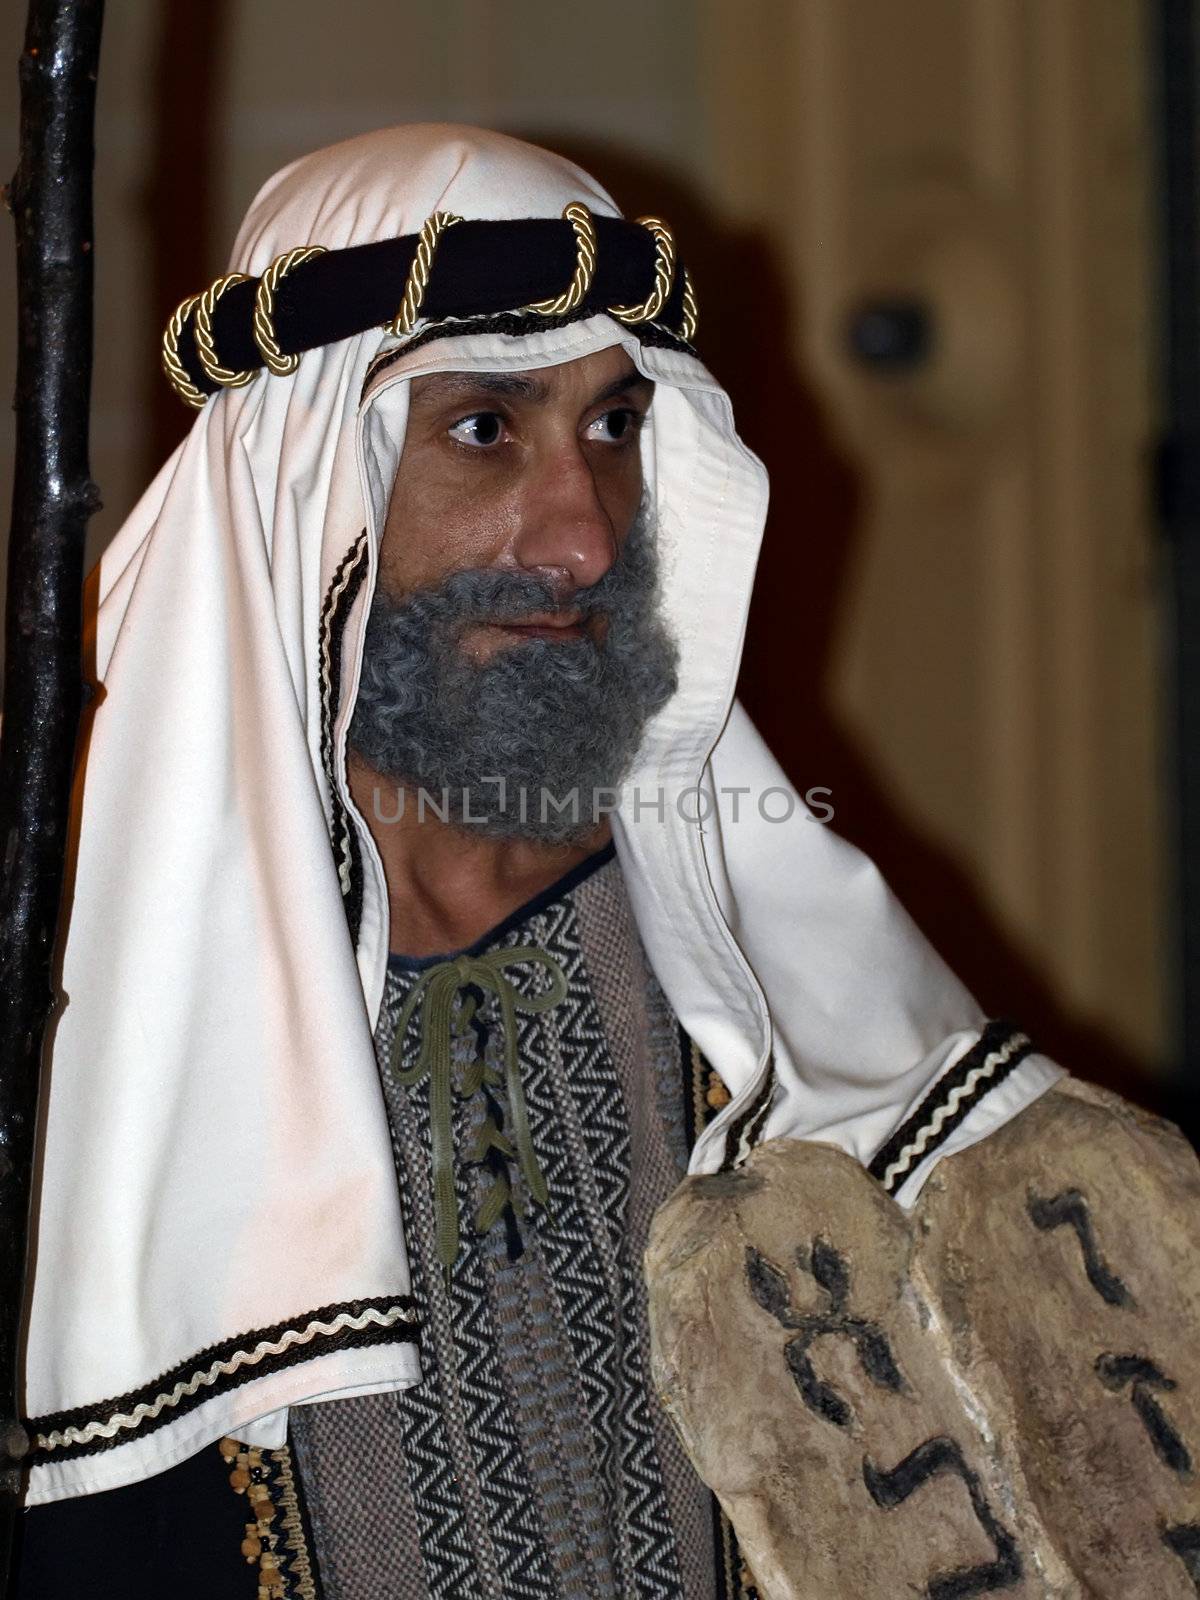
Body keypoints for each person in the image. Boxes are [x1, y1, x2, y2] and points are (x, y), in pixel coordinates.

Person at [12, 124, 1059, 1597]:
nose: (583, 535)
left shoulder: (750, 989)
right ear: (316, 487)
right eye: (488, 429)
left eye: (616, 428)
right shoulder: (68, 1033)